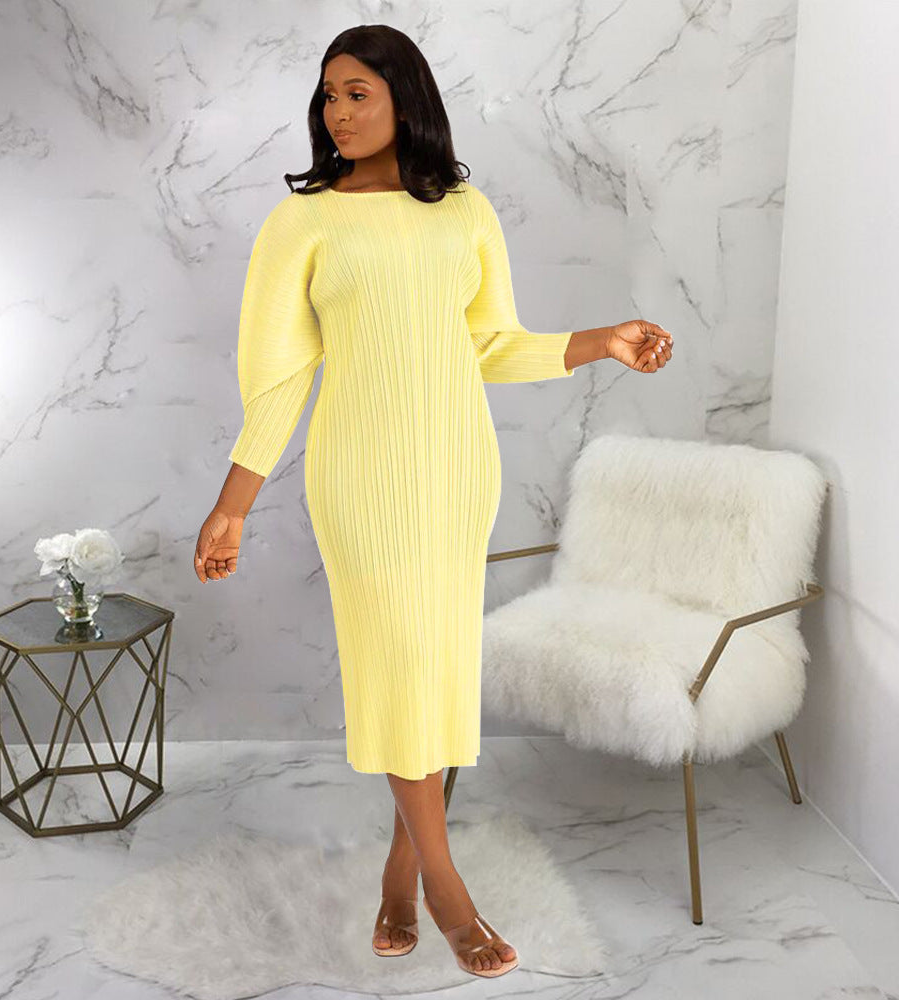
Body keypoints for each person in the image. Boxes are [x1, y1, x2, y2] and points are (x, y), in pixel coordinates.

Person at [194, 25, 673, 980]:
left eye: (357, 92)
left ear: (404, 99)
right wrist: (233, 503)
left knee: (439, 674)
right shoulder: (303, 223)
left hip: (458, 472)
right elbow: (279, 377)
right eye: (328, 94)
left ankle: (401, 872)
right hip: (360, 480)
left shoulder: (465, 211)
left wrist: (601, 341)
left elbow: (489, 345)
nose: (336, 111)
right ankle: (449, 891)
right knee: (402, 666)